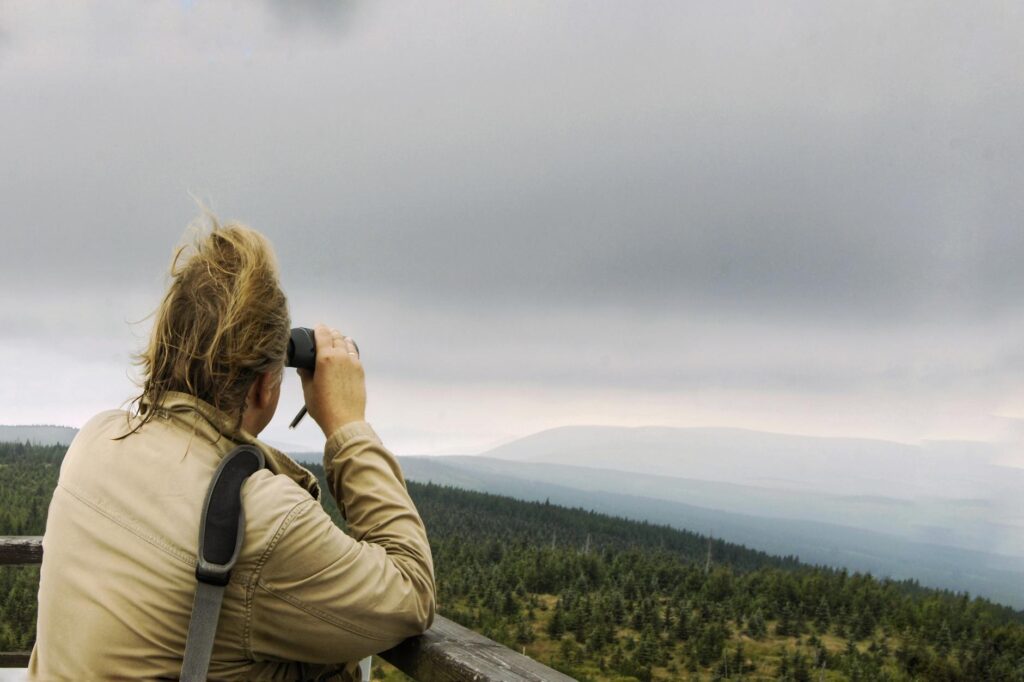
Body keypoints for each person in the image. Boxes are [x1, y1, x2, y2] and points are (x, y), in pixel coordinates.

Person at [28, 217, 435, 680]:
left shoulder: (96, 441)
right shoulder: (262, 515)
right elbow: (411, 591)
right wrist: (347, 425)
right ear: (265, 386)